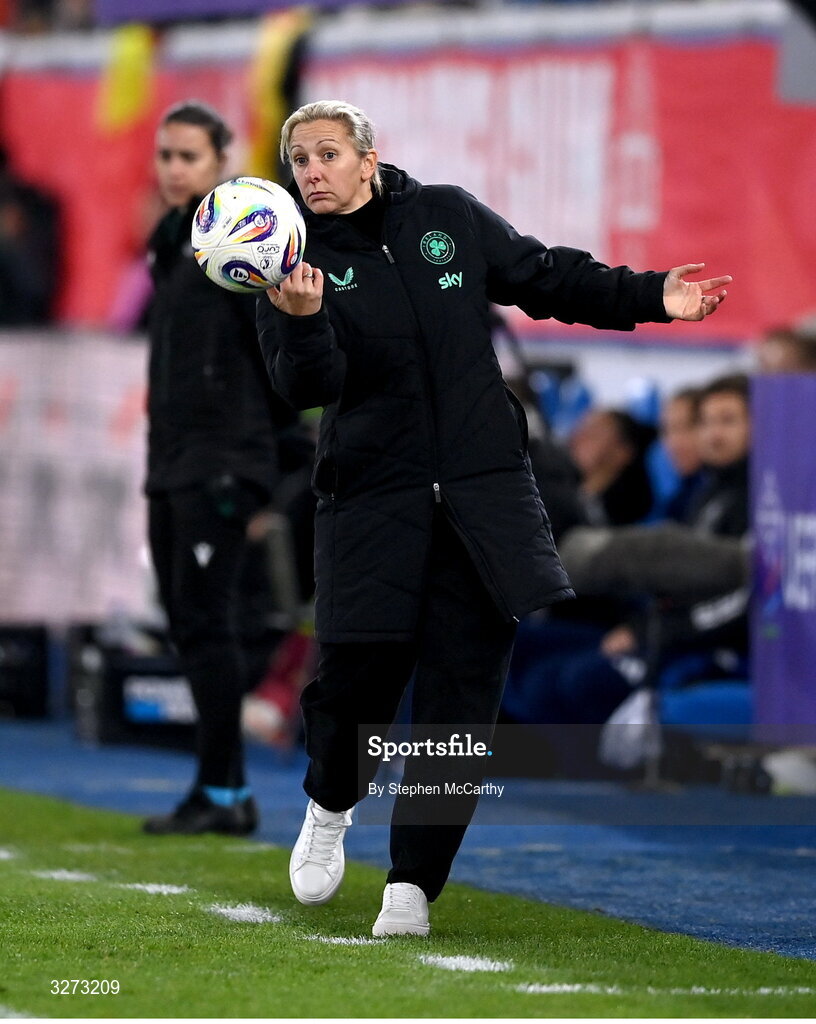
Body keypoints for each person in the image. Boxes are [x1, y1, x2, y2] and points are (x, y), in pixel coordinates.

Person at [256, 99, 730, 936]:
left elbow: (550, 277)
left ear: (370, 159)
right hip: (371, 499)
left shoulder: (445, 214)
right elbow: (309, 386)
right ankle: (329, 806)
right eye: (300, 162)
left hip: (483, 497)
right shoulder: (292, 259)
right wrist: (298, 324)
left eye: (327, 155)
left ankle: (412, 885)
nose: (312, 173)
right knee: (352, 682)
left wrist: (657, 295)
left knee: (460, 702)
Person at [142, 101, 289, 836]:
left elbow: (281, 362)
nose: (174, 170)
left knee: (209, 623)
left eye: (189, 157)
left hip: (222, 463)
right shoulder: (168, 240)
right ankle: (216, 787)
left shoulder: (242, 245)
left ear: (221, 162)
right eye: (165, 156)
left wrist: (263, 462)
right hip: (170, 463)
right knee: (186, 623)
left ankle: (227, 793)